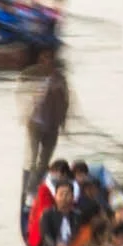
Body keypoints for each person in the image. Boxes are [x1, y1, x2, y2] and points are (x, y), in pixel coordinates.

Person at [22, 51, 70, 183]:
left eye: (50, 61)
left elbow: (65, 102)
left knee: (44, 160)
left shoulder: (60, 80)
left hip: (52, 126)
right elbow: (26, 98)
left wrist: (63, 123)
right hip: (35, 125)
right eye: (45, 61)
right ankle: (31, 185)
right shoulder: (33, 77)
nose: (48, 64)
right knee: (33, 158)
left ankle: (38, 183)